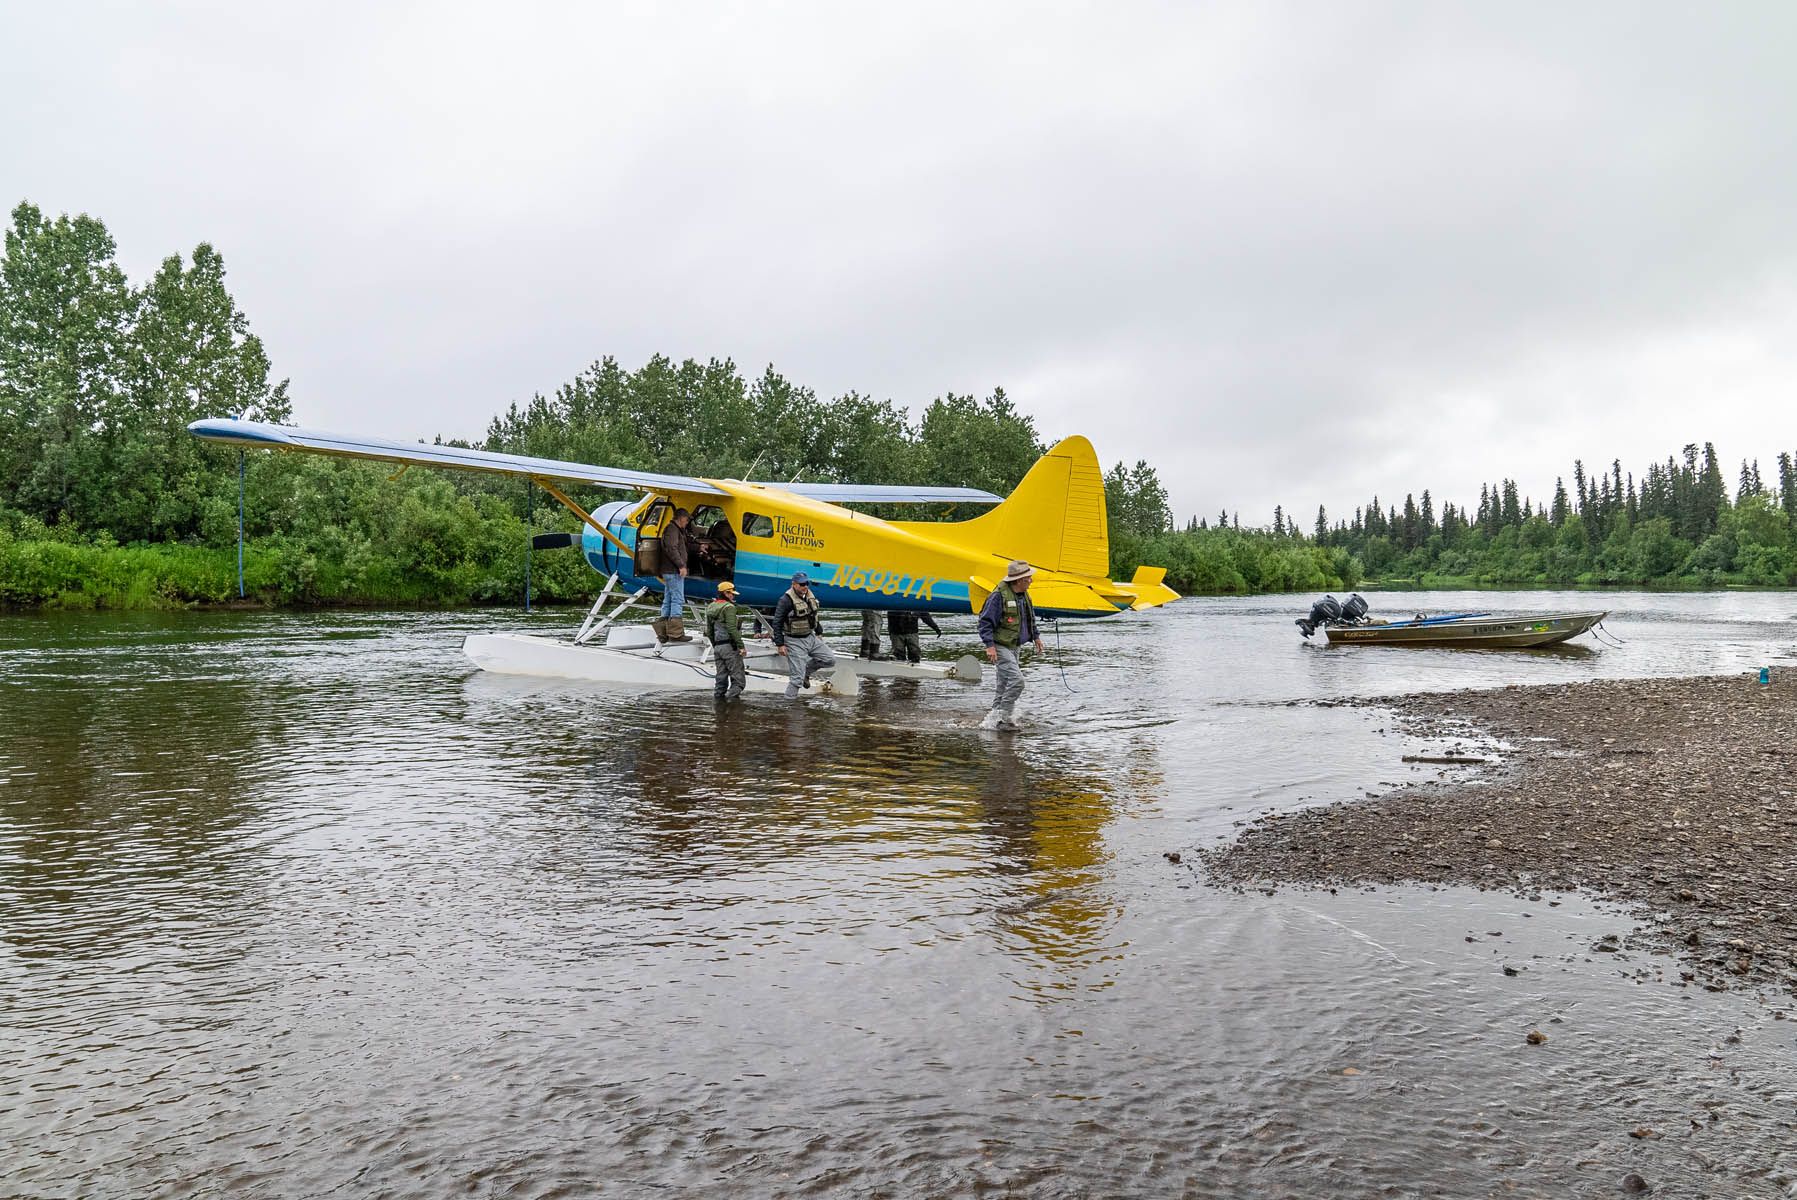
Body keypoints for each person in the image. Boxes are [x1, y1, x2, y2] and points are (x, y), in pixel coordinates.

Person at [976, 559, 1044, 731]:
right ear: (1019, 580)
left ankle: (992, 721)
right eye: (1028, 578)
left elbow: (1030, 618)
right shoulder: (998, 596)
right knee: (1017, 681)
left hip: (1015, 646)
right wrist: (989, 646)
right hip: (1000, 645)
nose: (1031, 581)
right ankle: (1004, 719)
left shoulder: (1024, 595)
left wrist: (1036, 636)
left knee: (1003, 685)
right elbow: (984, 622)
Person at [771, 571, 836, 699]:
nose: (805, 586)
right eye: (801, 584)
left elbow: (813, 616)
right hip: (794, 641)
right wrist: (780, 644)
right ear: (794, 584)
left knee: (830, 660)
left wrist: (819, 632)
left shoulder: (808, 596)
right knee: (796, 680)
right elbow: (777, 623)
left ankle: (806, 672)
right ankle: (789, 706)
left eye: (807, 583)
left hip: (810, 637)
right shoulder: (785, 600)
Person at [704, 580, 747, 701]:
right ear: (726, 593)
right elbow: (732, 628)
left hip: (718, 647)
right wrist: (741, 646)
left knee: (721, 680)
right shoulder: (729, 607)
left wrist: (715, 646)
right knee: (739, 682)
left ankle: (718, 707)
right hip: (730, 647)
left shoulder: (711, 606)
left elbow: (709, 630)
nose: (733, 596)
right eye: (732, 594)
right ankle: (730, 705)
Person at [655, 508, 693, 643]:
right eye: (687, 519)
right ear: (681, 518)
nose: (687, 522)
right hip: (673, 571)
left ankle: (663, 633)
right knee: (677, 599)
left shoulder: (676, 530)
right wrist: (681, 566)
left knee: (668, 599)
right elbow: (671, 548)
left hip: (670, 570)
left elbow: (680, 546)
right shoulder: (672, 530)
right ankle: (676, 634)